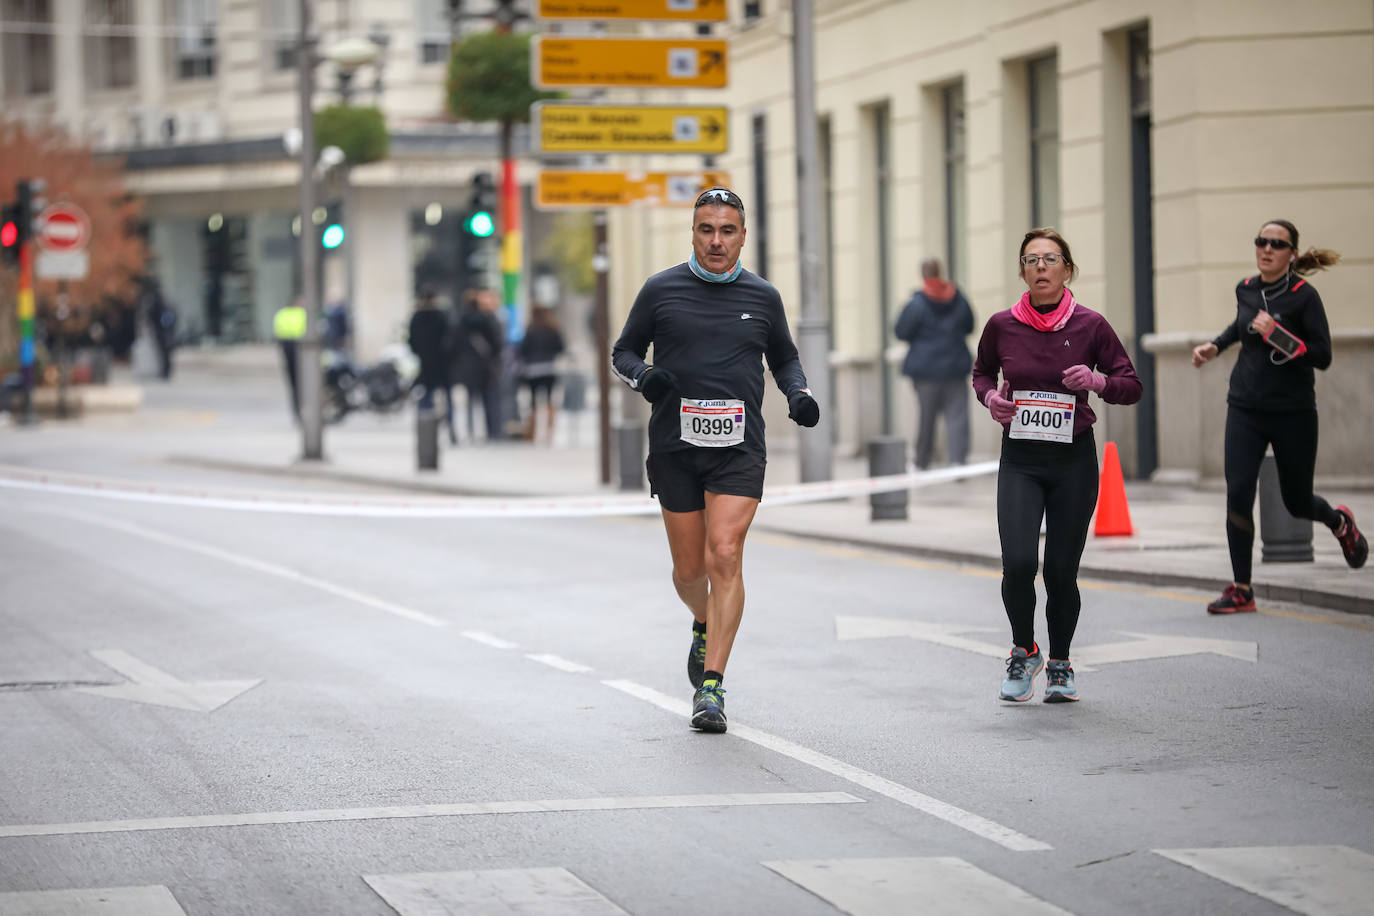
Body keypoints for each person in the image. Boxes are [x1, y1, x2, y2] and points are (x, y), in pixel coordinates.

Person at [612, 186, 820, 733]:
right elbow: (624, 351)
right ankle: (702, 619)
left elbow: (785, 356)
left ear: (743, 236)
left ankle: (712, 686)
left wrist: (798, 394)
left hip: (738, 448)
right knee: (690, 570)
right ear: (694, 233)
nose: (717, 241)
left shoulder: (763, 296)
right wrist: (644, 377)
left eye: (727, 231)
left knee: (724, 553)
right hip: (676, 449)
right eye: (707, 230)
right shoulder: (661, 290)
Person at [972, 228, 1142, 704]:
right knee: (1019, 563)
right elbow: (982, 372)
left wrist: (1097, 380)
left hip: (1073, 461)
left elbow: (1131, 385)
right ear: (1022, 272)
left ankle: (1062, 664)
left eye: (1051, 259)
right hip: (1021, 459)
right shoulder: (1002, 325)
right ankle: (1024, 650)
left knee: (1061, 571)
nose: (1041, 267)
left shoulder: (1091, 326)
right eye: (1031, 260)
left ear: (1068, 269)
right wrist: (990, 398)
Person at [1191, 219, 1366, 614]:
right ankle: (1242, 589)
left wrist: (1279, 335)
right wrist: (1215, 346)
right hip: (1245, 407)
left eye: (1276, 244)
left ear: (1291, 254)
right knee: (1237, 495)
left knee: (1297, 501)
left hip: (1293, 413)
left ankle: (1340, 523)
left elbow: (1322, 356)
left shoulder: (1306, 297)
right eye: (1261, 242)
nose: (1266, 249)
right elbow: (1240, 326)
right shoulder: (1247, 289)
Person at [894, 257, 975, 470]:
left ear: (923, 275)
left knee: (926, 418)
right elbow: (970, 325)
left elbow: (901, 331)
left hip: (925, 370)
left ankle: (922, 462)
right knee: (957, 418)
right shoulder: (958, 299)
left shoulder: (916, 304)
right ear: (940, 272)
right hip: (955, 368)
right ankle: (958, 462)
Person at [450, 289, 505, 442]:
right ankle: (492, 432)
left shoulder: (460, 321)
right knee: (488, 399)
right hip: (485, 365)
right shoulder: (487, 320)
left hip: (466, 366)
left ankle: (470, 431)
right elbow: (497, 343)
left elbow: (453, 345)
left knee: (469, 401)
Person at [408, 287, 457, 444]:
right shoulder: (441, 316)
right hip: (442, 364)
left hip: (426, 364)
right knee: (447, 397)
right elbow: (450, 340)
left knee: (425, 397)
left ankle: (425, 431)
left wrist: (421, 354)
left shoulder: (417, 317)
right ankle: (451, 429)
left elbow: (412, 342)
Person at [517, 304, 566, 443]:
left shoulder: (530, 330)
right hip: (549, 368)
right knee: (550, 400)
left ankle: (532, 433)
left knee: (533, 401)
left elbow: (522, 349)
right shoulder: (553, 329)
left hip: (533, 369)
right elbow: (561, 347)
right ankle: (549, 434)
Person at [273, 298, 307, 422]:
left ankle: (297, 411)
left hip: (287, 348)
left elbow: (277, 333)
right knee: (303, 382)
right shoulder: (303, 314)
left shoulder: (281, 314)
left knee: (293, 383)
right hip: (302, 349)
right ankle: (303, 409)